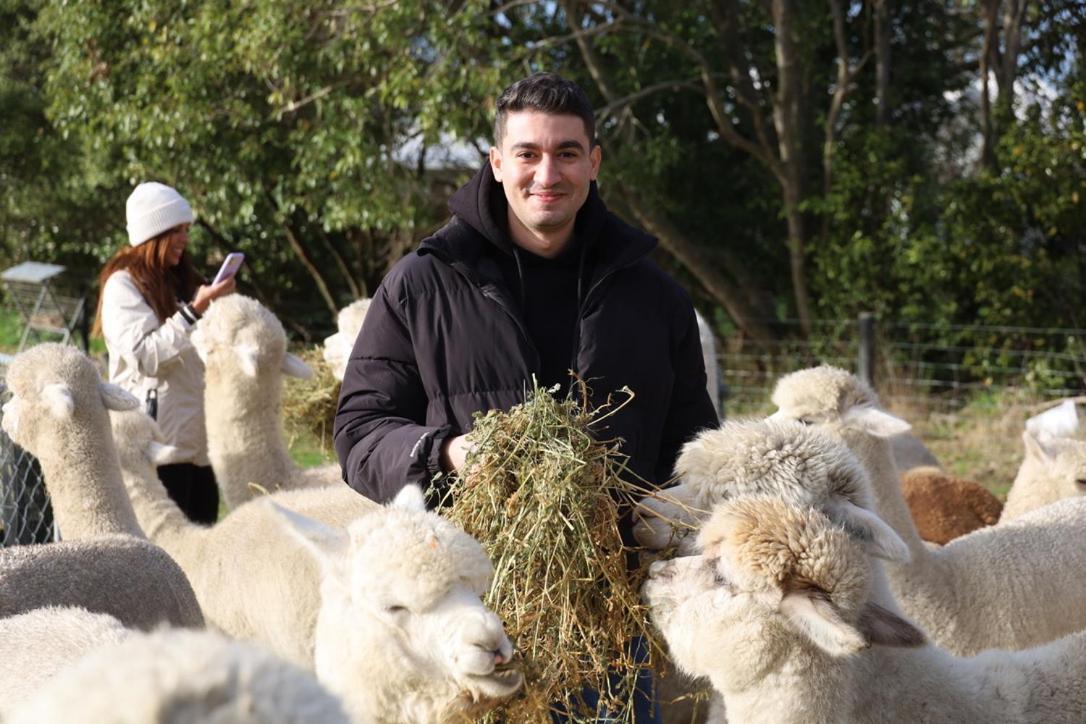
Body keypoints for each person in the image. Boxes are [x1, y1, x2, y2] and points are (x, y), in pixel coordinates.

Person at [334, 73, 718, 721]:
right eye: (528, 153)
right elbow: (360, 430)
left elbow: (692, 447)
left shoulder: (653, 297)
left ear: (594, 163)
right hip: (466, 621)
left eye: (568, 153)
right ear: (496, 162)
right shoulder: (423, 285)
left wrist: (670, 508)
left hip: (607, 624)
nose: (548, 173)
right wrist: (448, 452)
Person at [93, 182, 235, 524]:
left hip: (198, 445)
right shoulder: (122, 286)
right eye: (177, 230)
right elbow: (146, 356)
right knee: (165, 553)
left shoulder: (179, 280)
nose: (186, 239)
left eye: (186, 230)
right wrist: (195, 311)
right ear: (155, 232)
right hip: (156, 446)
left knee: (202, 551)